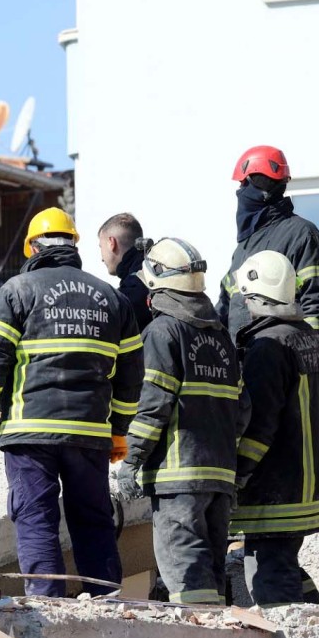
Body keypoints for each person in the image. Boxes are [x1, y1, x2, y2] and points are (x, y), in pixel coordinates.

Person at [0, 214, 143, 598]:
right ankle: (107, 600)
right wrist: (120, 429)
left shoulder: (16, 290)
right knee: (93, 519)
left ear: (33, 249)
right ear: (73, 246)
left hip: (30, 431)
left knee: (36, 517)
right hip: (90, 435)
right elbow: (130, 375)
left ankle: (47, 602)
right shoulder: (113, 299)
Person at [118, 237, 242, 605]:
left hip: (177, 479)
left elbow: (152, 405)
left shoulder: (162, 333)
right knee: (211, 576)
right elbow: (243, 409)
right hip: (220, 478)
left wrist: (131, 461)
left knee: (186, 576)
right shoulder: (222, 339)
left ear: (156, 282)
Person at [232, 250, 319, 606]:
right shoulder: (304, 335)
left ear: (255, 295)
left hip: (276, 490)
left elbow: (260, 424)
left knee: (267, 574)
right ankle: (316, 624)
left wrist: (239, 474)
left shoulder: (267, 347)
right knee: (285, 565)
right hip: (305, 486)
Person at [217, 146, 319, 342]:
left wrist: (307, 354)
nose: (241, 191)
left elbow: (316, 301)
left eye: (244, 184)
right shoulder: (244, 248)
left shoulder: (301, 234)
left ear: (260, 187)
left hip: (281, 360)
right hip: (243, 363)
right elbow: (224, 307)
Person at [97, 212, 152, 330]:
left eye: (101, 247)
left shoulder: (130, 292)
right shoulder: (153, 272)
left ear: (112, 243)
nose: (102, 258)